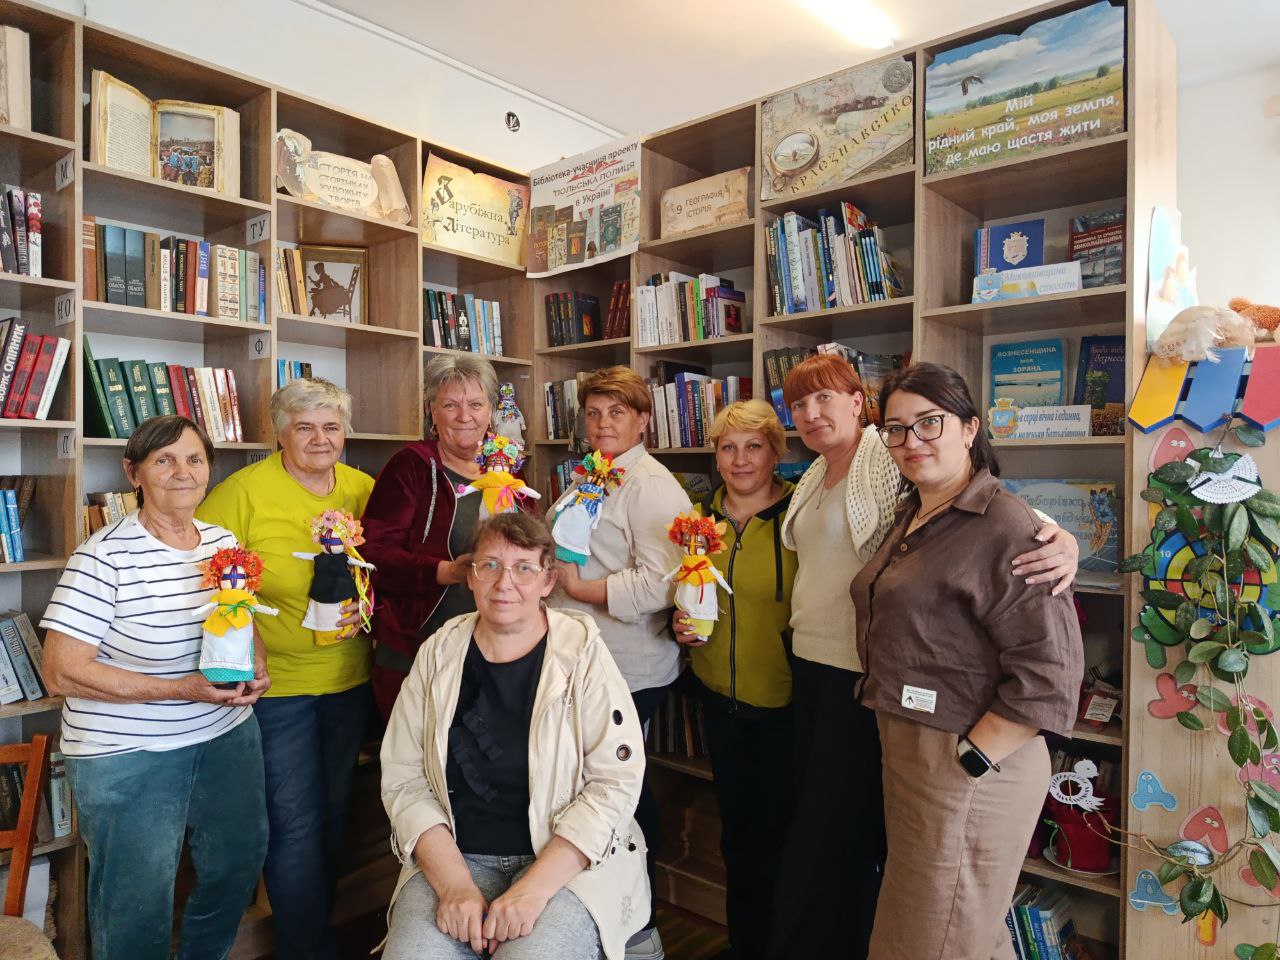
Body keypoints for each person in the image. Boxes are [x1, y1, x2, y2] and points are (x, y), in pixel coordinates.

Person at [771, 353, 1079, 959]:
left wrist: (971, 759)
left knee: (929, 933)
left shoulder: (1007, 524)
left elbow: (1048, 672)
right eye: (898, 429)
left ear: (970, 428)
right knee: (950, 928)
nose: (912, 441)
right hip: (904, 737)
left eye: (930, 422)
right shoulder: (911, 511)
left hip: (964, 753)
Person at [38, 416, 269, 960]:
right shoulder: (102, 556)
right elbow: (61, 671)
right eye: (164, 460)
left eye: (194, 459)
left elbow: (241, 617)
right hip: (128, 751)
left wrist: (257, 664)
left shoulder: (221, 541)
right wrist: (181, 689)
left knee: (237, 865)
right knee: (136, 900)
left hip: (225, 735)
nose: (182, 472)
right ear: (133, 472)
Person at [380, 512, 647, 960]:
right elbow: (404, 777)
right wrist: (454, 885)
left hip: (560, 863)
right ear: (470, 576)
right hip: (456, 856)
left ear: (548, 581)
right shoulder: (438, 652)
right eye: (490, 565)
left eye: (524, 567)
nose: (505, 582)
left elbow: (614, 782)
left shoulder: (582, 652)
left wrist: (533, 890)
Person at [196, 378, 374, 960]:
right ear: (279, 434)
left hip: (351, 679)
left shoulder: (363, 489)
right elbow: (204, 580)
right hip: (278, 691)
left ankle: (318, 932)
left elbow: (387, 567)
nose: (320, 439)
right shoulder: (242, 493)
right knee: (294, 822)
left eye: (331, 427)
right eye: (305, 427)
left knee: (337, 813)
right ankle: (308, 949)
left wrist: (369, 604)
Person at [549, 365, 691, 960]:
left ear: (643, 420)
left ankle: (638, 924)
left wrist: (583, 591)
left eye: (617, 412)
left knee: (620, 796)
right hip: (582, 658)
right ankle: (594, 914)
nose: (603, 423)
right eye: (593, 413)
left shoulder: (650, 485)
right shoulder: (593, 473)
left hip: (626, 667)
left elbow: (666, 579)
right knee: (592, 791)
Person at [670, 400, 797, 960]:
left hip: (790, 704)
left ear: (775, 453)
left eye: (754, 446)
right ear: (716, 457)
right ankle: (746, 946)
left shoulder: (800, 513)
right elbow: (680, 592)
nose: (741, 459)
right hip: (719, 700)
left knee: (788, 838)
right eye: (728, 447)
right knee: (740, 836)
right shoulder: (696, 520)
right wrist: (677, 624)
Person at [361, 353, 499, 718]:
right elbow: (373, 553)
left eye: (476, 404)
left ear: (491, 411)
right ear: (432, 412)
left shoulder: (506, 468)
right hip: (415, 647)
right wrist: (444, 571)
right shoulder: (411, 466)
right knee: (414, 749)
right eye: (451, 405)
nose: (465, 416)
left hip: (490, 647)